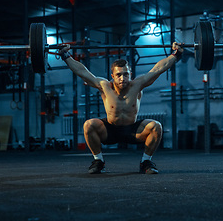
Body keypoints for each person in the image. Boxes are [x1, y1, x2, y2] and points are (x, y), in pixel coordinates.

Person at [59, 42, 183, 174]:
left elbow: (158, 69)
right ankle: (99, 161)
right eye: (118, 75)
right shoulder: (104, 86)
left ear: (130, 74)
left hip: (133, 130)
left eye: (126, 74)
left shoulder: (138, 84)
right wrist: (66, 55)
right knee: (88, 125)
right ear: (112, 76)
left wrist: (176, 54)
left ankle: (145, 162)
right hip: (110, 131)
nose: (122, 78)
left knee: (156, 126)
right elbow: (82, 71)